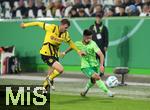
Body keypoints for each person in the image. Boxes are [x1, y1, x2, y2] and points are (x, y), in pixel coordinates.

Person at [20, 19, 84, 92]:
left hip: (54, 55)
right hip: (46, 53)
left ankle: (44, 89)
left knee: (51, 73)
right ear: (61, 25)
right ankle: (49, 79)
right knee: (60, 69)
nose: (66, 29)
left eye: (67, 28)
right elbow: (37, 23)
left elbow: (71, 43)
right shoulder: (51, 27)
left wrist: (78, 51)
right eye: (66, 27)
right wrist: (25, 25)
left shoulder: (65, 34)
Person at [62, 29, 113, 97]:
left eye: (90, 38)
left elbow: (101, 55)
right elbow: (72, 47)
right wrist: (64, 52)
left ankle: (85, 91)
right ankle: (108, 92)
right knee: (97, 77)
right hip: (85, 67)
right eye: (88, 38)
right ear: (84, 36)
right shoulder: (78, 43)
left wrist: (101, 65)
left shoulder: (93, 43)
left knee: (93, 80)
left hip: (94, 66)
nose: (89, 39)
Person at [89, 13, 109, 77]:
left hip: (101, 47)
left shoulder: (104, 28)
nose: (98, 19)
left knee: (102, 61)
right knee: (93, 61)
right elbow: (88, 37)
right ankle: (94, 72)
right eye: (97, 18)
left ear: (101, 19)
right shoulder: (91, 27)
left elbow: (106, 37)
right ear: (95, 18)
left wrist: (106, 46)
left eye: (99, 18)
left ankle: (102, 72)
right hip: (93, 48)